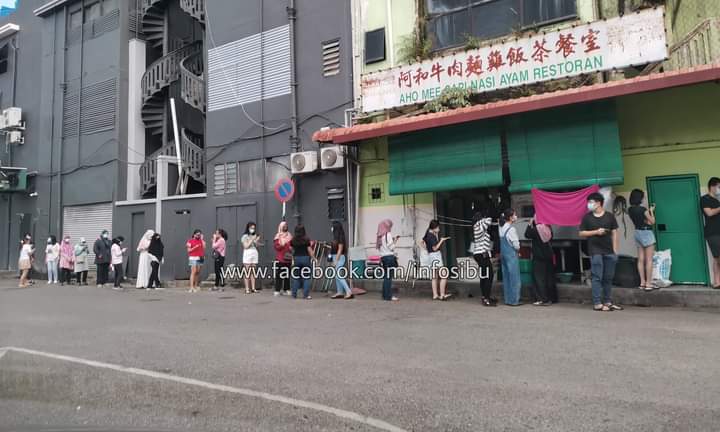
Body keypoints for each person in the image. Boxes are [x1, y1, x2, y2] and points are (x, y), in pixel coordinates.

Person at [580, 192, 623, 312]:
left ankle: (608, 301)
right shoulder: (587, 217)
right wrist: (596, 232)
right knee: (597, 277)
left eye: (591, 202)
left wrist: (615, 250)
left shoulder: (609, 216)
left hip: (609, 251)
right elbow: (581, 233)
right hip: (595, 251)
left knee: (608, 278)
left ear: (599, 203)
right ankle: (597, 303)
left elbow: (615, 233)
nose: (589, 204)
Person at [629, 189, 657, 291]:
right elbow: (652, 222)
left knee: (640, 259)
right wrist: (651, 211)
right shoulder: (643, 209)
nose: (643, 198)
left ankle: (642, 282)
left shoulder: (630, 209)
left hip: (637, 233)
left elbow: (642, 221)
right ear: (639, 198)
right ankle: (649, 284)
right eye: (642, 197)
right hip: (646, 233)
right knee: (649, 259)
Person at [525, 218, 556, 306]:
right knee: (549, 278)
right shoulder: (548, 228)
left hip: (538, 257)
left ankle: (542, 299)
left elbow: (527, 234)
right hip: (548, 256)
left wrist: (529, 224)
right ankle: (551, 298)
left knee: (539, 279)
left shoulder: (536, 230)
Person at [472, 211, 497, 307]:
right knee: (489, 276)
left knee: (484, 276)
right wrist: (483, 219)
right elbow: (489, 220)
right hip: (482, 255)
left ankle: (485, 296)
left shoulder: (478, 227)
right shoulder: (478, 226)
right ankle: (486, 299)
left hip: (481, 254)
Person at [423, 220, 452, 301]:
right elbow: (435, 248)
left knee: (434, 276)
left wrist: (427, 249)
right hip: (436, 256)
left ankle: (435, 295)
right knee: (444, 275)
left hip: (431, 256)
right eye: (438, 227)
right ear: (434, 227)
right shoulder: (431, 236)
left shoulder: (427, 234)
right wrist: (442, 240)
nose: (439, 229)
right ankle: (442, 295)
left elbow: (421, 242)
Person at [499, 209, 522, 306]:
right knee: (514, 278)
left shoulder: (501, 227)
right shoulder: (511, 229)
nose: (516, 216)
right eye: (515, 215)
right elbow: (516, 245)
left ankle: (508, 299)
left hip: (503, 254)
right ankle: (514, 300)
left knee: (506, 277)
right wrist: (518, 250)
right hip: (511, 255)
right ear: (510, 217)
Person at [701, 177, 720, 289]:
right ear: (712, 186)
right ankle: (717, 282)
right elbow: (709, 213)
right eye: (719, 187)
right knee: (718, 257)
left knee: (717, 258)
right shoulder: (705, 199)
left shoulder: (717, 200)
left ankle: (717, 282)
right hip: (712, 233)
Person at [290, 224, 316, 299]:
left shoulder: (293, 240)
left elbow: (291, 249)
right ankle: (306, 295)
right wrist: (314, 258)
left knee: (296, 277)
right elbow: (309, 250)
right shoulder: (306, 239)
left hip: (296, 258)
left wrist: (293, 256)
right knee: (306, 277)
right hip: (305, 258)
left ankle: (294, 294)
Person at [377, 219, 399, 301]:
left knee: (386, 277)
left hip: (383, 258)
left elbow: (382, 247)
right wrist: (395, 241)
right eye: (390, 226)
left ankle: (384, 295)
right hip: (389, 257)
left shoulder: (380, 236)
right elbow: (391, 247)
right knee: (389, 278)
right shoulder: (388, 234)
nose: (390, 228)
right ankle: (388, 296)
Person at [330, 221, 353, 299]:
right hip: (336, 256)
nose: (331, 228)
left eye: (333, 227)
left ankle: (348, 291)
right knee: (337, 276)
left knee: (338, 275)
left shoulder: (340, 237)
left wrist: (336, 261)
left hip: (339, 257)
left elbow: (340, 249)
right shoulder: (336, 238)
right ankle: (340, 292)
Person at [241, 222, 263, 294]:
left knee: (253, 271)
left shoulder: (254, 235)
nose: (252, 229)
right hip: (247, 253)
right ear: (248, 228)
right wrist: (252, 239)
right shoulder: (244, 236)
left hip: (254, 253)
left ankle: (253, 288)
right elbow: (246, 246)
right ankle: (247, 288)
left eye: (254, 228)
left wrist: (257, 241)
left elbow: (255, 245)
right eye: (251, 228)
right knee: (247, 271)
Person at [273, 221, 293, 297]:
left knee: (287, 274)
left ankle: (286, 289)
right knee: (279, 275)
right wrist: (282, 245)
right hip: (280, 258)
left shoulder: (289, 235)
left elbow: (292, 244)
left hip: (288, 258)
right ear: (281, 227)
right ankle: (277, 290)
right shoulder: (278, 236)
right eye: (284, 226)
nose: (285, 227)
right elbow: (276, 247)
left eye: (286, 225)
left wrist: (291, 248)